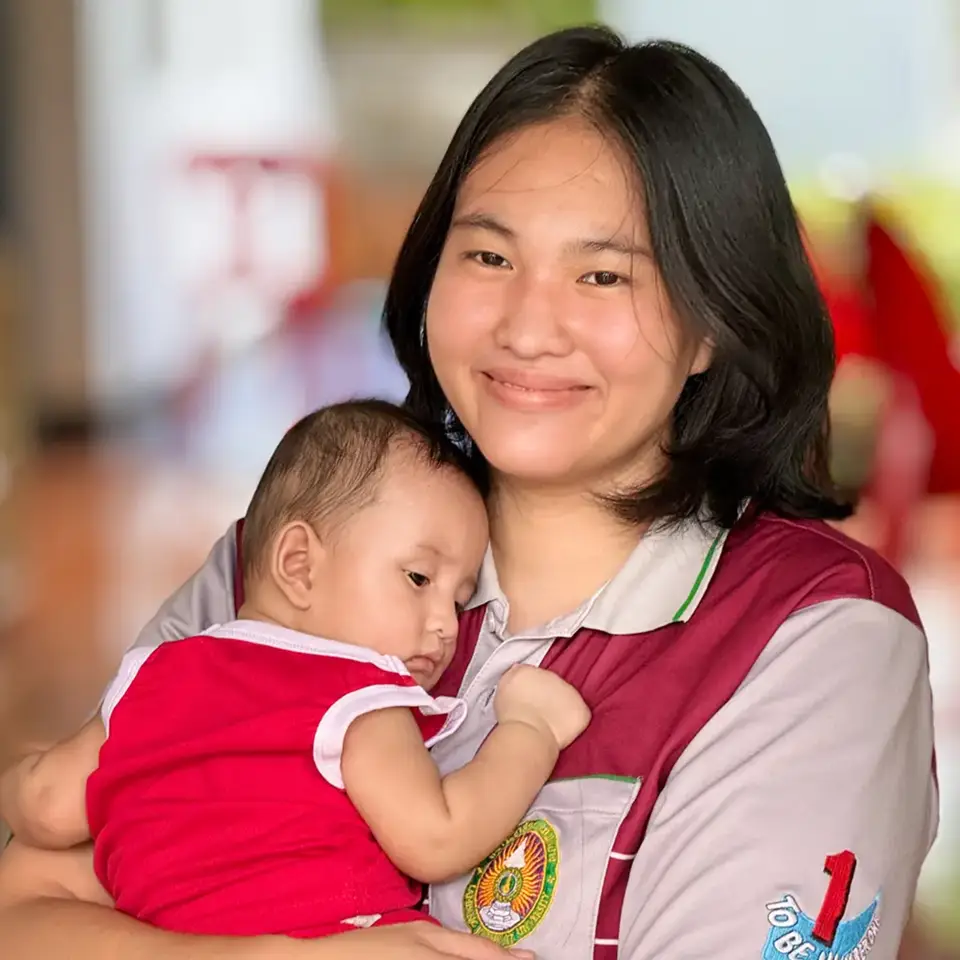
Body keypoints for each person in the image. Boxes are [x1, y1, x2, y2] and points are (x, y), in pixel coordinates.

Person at [0, 23, 937, 960]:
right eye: (489, 258)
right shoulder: (287, 566)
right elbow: (24, 910)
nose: (527, 328)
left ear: (711, 325)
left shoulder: (815, 638)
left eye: (603, 274)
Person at [0, 400, 589, 939]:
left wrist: (19, 775)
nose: (445, 625)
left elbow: (47, 805)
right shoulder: (358, 697)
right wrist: (530, 731)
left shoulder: (149, 677)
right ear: (299, 564)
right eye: (418, 578)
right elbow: (437, 837)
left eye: (458, 601)